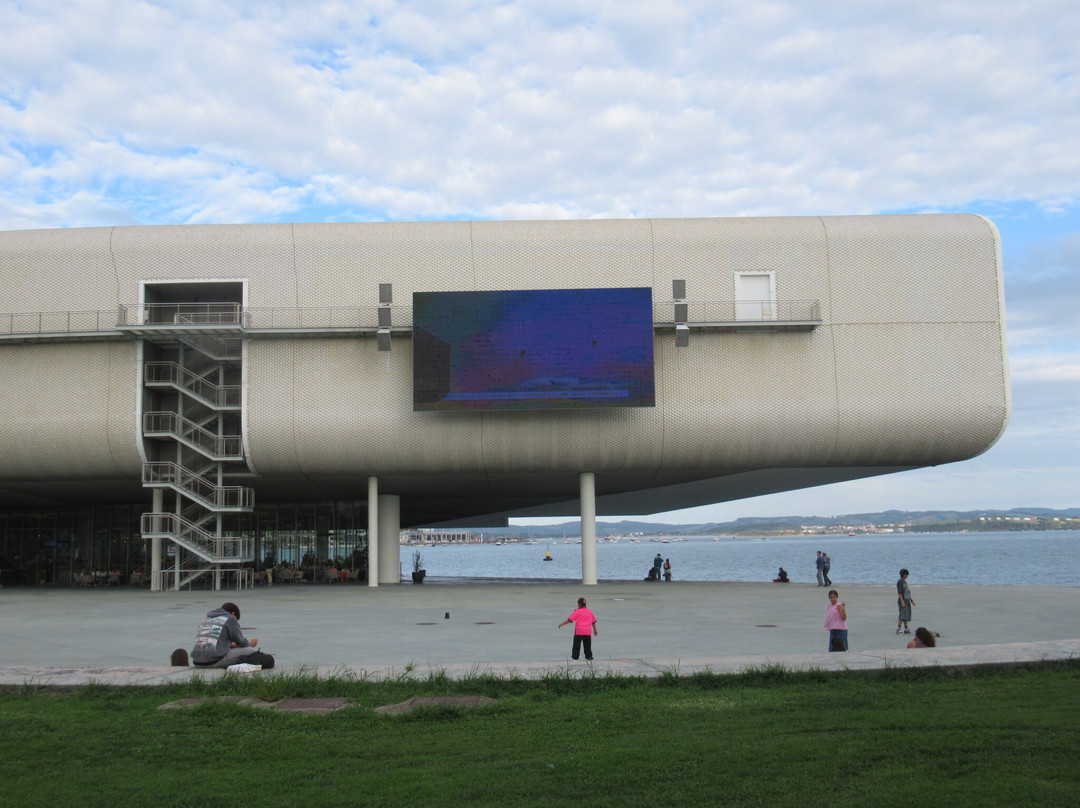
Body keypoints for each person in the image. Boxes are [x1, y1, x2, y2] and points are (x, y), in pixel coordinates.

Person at [191, 602, 260, 668]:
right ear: (233, 614)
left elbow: (211, 641)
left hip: (196, 661)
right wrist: (251, 644)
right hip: (213, 661)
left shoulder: (206, 619)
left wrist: (230, 645)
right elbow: (242, 642)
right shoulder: (230, 619)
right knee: (251, 651)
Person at [558, 596, 597, 661]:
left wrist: (561, 624)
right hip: (587, 631)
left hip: (579, 631)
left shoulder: (577, 611)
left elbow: (570, 620)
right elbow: (593, 622)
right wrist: (595, 630)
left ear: (579, 604)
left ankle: (575, 658)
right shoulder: (589, 612)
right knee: (587, 646)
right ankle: (589, 657)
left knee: (576, 645)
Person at [896, 568, 914, 635]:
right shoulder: (900, 582)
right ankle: (899, 628)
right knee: (902, 615)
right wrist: (902, 601)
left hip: (907, 601)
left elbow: (908, 592)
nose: (907, 576)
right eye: (906, 574)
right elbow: (900, 593)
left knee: (906, 615)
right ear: (903, 575)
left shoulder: (904, 582)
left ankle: (906, 628)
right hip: (903, 601)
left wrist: (911, 600)